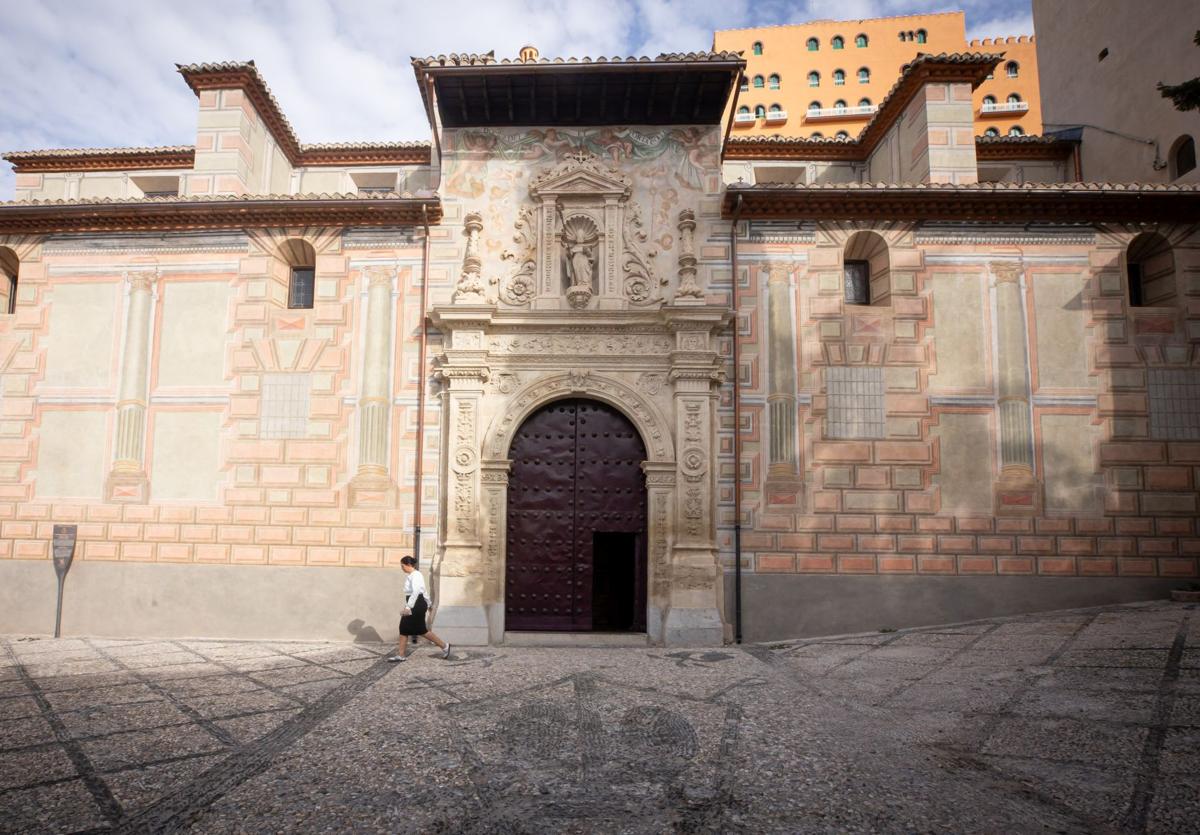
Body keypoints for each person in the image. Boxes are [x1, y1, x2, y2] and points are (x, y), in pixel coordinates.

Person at [388, 556, 452, 662]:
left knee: (411, 628)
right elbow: (424, 591)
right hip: (417, 603)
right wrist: (429, 604)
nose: (402, 568)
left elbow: (417, 591)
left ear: (408, 565)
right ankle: (444, 646)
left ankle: (445, 646)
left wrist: (408, 607)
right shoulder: (413, 575)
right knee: (412, 629)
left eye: (402, 566)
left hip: (416, 604)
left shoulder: (416, 575)